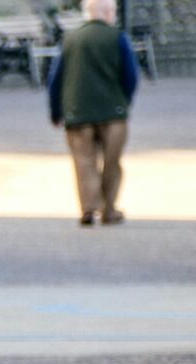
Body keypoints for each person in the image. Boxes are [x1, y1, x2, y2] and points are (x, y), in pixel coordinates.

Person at [48, 0, 139, 227]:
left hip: (77, 112)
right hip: (113, 112)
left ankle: (88, 209)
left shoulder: (71, 39)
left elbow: (55, 79)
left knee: (84, 161)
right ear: (108, 12)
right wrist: (123, 101)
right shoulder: (117, 38)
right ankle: (109, 209)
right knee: (112, 162)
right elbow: (131, 75)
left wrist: (56, 111)